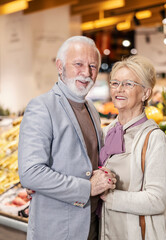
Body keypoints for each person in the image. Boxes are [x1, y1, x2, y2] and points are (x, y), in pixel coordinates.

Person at [18, 36, 116, 240]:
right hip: (58, 231)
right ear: (60, 66)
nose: (87, 73)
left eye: (93, 66)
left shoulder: (91, 109)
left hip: (92, 226)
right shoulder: (42, 106)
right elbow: (30, 172)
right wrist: (87, 188)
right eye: (78, 64)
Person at [99, 55, 166, 240]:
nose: (119, 89)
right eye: (115, 83)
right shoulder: (106, 132)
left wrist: (109, 197)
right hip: (108, 232)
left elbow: (157, 200)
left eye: (128, 84)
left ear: (146, 93)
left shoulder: (155, 139)